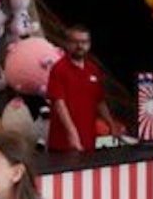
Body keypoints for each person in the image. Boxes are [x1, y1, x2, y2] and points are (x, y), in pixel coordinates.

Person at [46, 25, 125, 153]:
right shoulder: (59, 69)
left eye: (84, 42)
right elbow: (58, 103)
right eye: (75, 42)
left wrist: (111, 124)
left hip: (89, 140)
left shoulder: (93, 69)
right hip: (63, 142)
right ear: (66, 43)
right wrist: (72, 133)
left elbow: (99, 101)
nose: (80, 46)